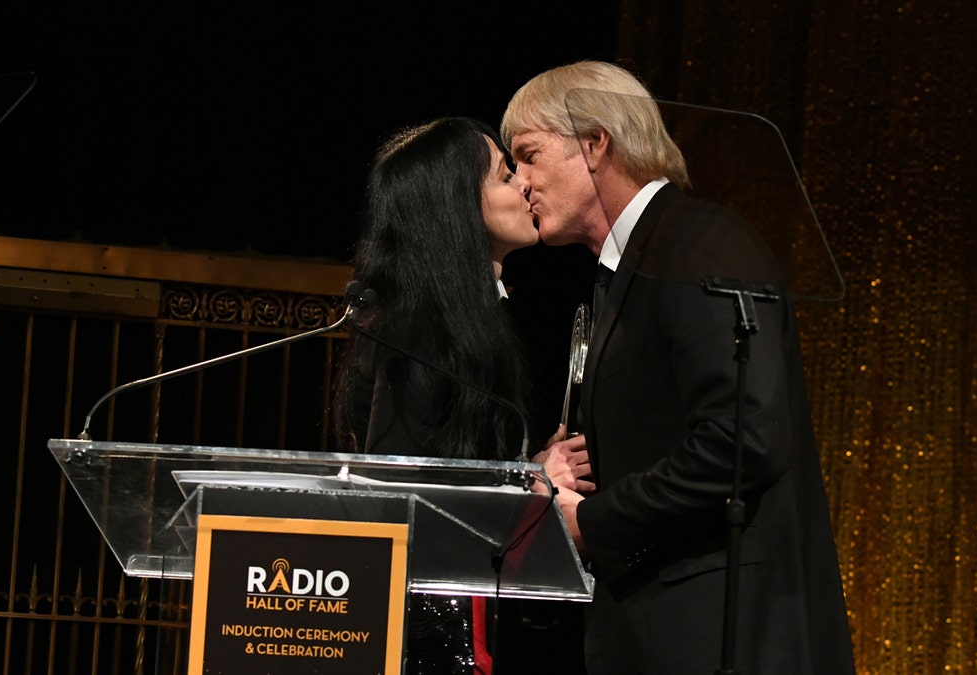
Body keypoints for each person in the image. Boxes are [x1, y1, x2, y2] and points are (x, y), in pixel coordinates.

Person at [502, 61, 856, 674]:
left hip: (719, 636)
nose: (520, 180)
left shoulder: (698, 242)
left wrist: (592, 521)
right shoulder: (626, 273)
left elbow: (743, 438)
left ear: (594, 143)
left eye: (529, 154)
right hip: (656, 631)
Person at [332, 116, 591, 674]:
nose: (524, 182)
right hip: (422, 636)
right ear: (455, 210)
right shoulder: (418, 334)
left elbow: (452, 471)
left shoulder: (468, 322)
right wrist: (535, 491)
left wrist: (530, 471)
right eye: (503, 174)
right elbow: (403, 493)